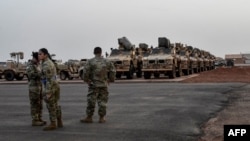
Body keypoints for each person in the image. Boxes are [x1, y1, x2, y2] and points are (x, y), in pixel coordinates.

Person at [80, 47, 116, 123]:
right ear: (101, 52)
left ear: (94, 52)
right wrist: (110, 79)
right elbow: (113, 70)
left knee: (91, 101)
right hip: (103, 84)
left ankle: (89, 117)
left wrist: (87, 80)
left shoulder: (90, 61)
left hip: (93, 85)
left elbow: (85, 72)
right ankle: (101, 118)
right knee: (103, 101)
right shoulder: (107, 61)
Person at [38, 48, 63, 131]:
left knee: (51, 105)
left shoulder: (46, 64)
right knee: (56, 104)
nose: (39, 55)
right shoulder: (46, 62)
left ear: (45, 55)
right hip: (54, 85)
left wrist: (48, 92)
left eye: (40, 54)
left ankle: (53, 123)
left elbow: (49, 79)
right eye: (38, 54)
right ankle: (59, 121)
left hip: (51, 86)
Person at [26, 52, 46, 126]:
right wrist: (42, 74)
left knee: (40, 104)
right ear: (35, 58)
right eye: (38, 58)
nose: (39, 60)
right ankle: (35, 120)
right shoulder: (30, 65)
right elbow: (31, 75)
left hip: (39, 87)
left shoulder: (38, 65)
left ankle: (39, 118)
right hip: (33, 88)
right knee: (34, 104)